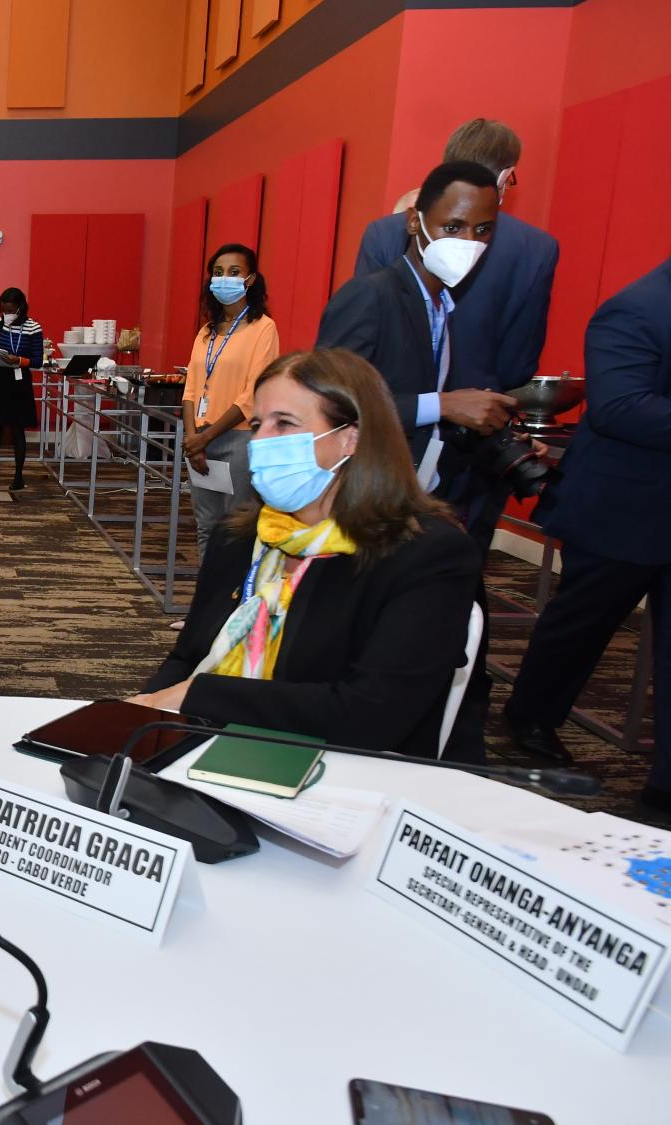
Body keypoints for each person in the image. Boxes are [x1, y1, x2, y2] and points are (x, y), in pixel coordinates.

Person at [132, 349, 482, 760]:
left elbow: (370, 716)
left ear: (351, 438)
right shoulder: (242, 537)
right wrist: (138, 715)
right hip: (209, 750)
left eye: (285, 424)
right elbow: (187, 656)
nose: (259, 441)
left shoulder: (426, 556)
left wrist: (197, 694)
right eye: (258, 424)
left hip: (349, 774)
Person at [503, 256, 671, 801]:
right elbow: (622, 408)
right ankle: (530, 716)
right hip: (621, 509)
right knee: (580, 626)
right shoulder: (636, 308)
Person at [356, 119, 560, 553]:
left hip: (389, 430)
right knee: (455, 565)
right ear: (505, 178)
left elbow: (360, 350)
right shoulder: (535, 249)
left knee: (372, 559)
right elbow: (519, 362)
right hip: (472, 441)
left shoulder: (385, 232)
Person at [318, 161, 517, 496]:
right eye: (453, 228)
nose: (469, 242)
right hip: (361, 494)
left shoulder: (443, 306)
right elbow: (328, 403)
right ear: (414, 222)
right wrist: (443, 405)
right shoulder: (371, 295)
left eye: (482, 230)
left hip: (412, 490)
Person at [182, 243, 280, 559]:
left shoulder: (263, 328)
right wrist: (192, 438)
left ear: (250, 279)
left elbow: (253, 393)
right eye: (219, 272)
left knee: (235, 526)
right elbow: (191, 389)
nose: (225, 278)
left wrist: (206, 437)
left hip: (237, 440)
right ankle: (206, 600)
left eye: (234, 272)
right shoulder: (206, 333)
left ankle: (231, 602)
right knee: (206, 524)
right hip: (199, 440)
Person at [0, 287, 42, 490]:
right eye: (3, 310)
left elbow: (37, 361)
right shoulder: (1, 322)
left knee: (17, 430)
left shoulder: (33, 327)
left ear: (20, 307)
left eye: (10, 310)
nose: (6, 314)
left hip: (18, 382)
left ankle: (18, 477)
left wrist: (19, 359)